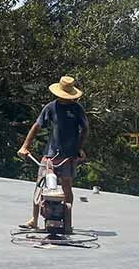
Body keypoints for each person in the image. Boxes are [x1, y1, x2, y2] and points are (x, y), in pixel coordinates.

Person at [17, 75, 89, 233]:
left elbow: (84, 129)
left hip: (68, 156)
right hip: (50, 155)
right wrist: (25, 146)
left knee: (66, 188)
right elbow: (37, 125)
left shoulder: (77, 109)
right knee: (41, 186)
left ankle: (67, 220)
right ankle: (34, 220)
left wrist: (79, 148)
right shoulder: (51, 107)